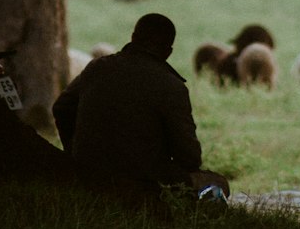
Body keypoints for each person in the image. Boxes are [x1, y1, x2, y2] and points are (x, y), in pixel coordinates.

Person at [53, 12, 229, 198]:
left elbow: (61, 108)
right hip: (143, 181)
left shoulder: (97, 68)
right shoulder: (171, 86)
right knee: (217, 184)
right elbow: (190, 157)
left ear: (133, 38)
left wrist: (74, 153)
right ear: (168, 51)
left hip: (88, 174)